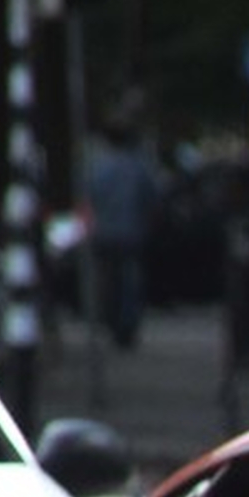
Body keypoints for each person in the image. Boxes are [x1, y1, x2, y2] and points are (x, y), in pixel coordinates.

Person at [83, 115, 160, 349]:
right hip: (131, 233)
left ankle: (113, 321)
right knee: (129, 281)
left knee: (109, 280)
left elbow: (90, 198)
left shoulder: (99, 167)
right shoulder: (138, 166)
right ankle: (126, 325)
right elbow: (152, 197)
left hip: (106, 233)